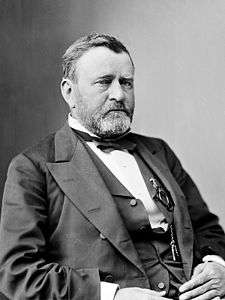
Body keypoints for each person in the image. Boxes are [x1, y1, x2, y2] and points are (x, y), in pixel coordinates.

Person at [0, 33, 225, 300]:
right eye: (104, 82)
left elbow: (206, 228)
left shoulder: (158, 151)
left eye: (126, 83)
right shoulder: (32, 167)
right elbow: (18, 274)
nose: (119, 94)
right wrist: (112, 296)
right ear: (69, 92)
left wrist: (217, 266)